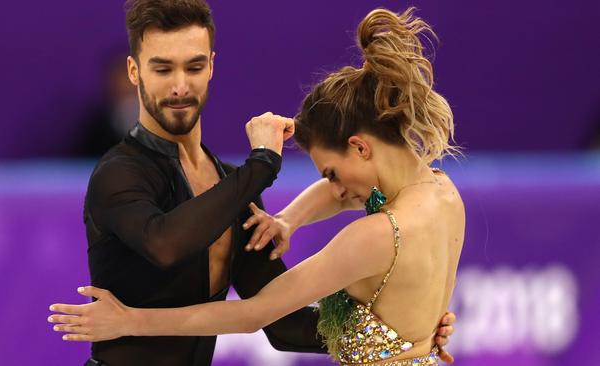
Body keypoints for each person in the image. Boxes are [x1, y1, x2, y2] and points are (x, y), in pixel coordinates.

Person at [49, 6, 462, 366]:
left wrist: (403, 329)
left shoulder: (234, 188)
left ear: (211, 66)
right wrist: (263, 165)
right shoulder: (119, 172)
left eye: (193, 67)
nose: (179, 85)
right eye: (162, 68)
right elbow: (166, 243)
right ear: (134, 71)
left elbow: (277, 322)